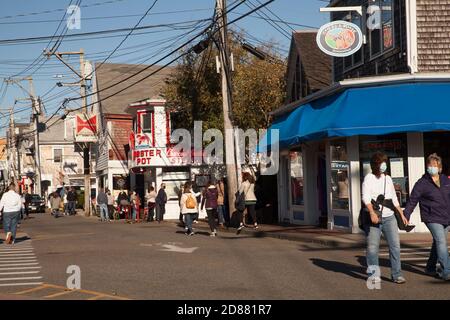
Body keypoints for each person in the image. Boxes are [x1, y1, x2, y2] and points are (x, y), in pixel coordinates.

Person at [362, 152, 408, 284]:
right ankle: (374, 275)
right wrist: (371, 212)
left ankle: (397, 274)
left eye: (385, 163)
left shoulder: (387, 178)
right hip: (374, 218)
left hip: (389, 217)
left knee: (395, 246)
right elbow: (365, 197)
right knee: (372, 248)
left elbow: (393, 198)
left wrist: (401, 213)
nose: (384, 165)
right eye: (382, 163)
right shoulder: (369, 178)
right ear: (376, 165)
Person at [403, 153, 450, 280]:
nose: (431, 167)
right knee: (441, 241)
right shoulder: (422, 183)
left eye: (434, 165)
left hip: (446, 217)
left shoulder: (445, 180)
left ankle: (430, 268)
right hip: (431, 217)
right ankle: (447, 271)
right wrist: (406, 214)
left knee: (437, 243)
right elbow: (412, 200)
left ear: (439, 167)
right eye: (429, 165)